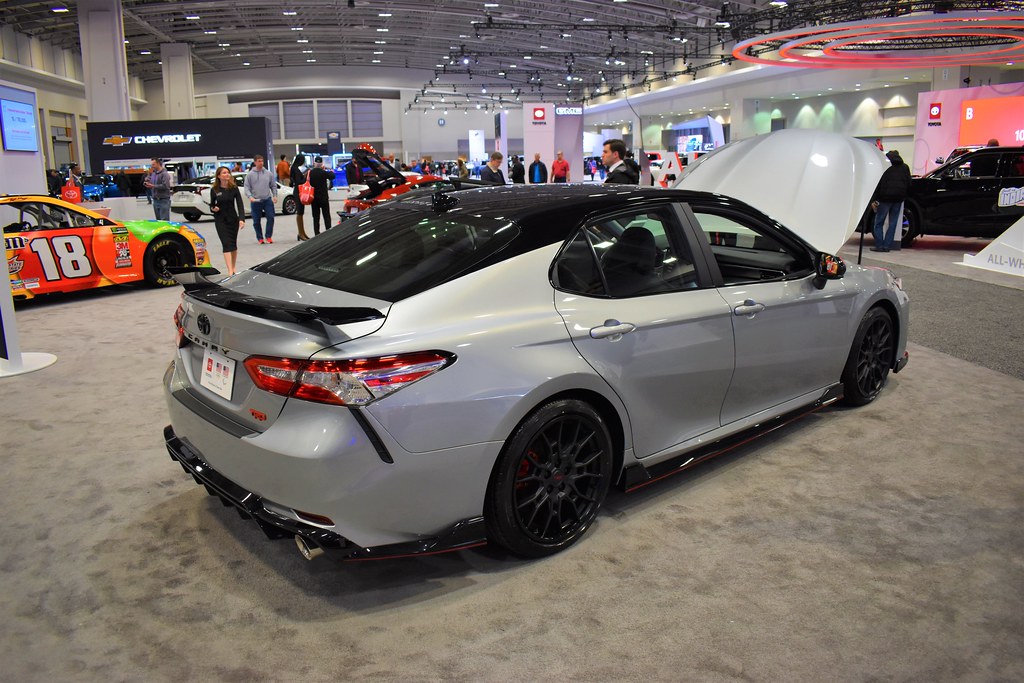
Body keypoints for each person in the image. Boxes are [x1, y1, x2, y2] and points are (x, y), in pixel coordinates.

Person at [870, 150, 912, 253]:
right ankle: (887, 246)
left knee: (879, 223)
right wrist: (904, 195)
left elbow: (878, 184)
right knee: (893, 223)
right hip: (898, 199)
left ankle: (879, 246)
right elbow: (909, 183)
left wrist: (874, 198)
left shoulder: (885, 166)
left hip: (884, 199)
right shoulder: (905, 167)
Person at [209, 166, 246, 276]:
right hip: (220, 220)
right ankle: (230, 271)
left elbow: (240, 204)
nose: (227, 174)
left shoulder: (234, 188)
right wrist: (213, 208)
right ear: (219, 176)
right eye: (224, 173)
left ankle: (233, 267)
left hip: (232, 220)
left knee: (233, 245)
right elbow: (212, 205)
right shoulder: (214, 190)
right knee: (226, 244)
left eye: (228, 173)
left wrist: (241, 219)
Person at [243, 154, 279, 244]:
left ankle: (268, 236)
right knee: (256, 221)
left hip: (267, 199)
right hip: (255, 201)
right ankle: (260, 238)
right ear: (255, 162)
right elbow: (246, 187)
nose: (261, 163)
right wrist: (250, 197)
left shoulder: (268, 173)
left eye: (262, 161)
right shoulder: (250, 175)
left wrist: (275, 196)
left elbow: (273, 186)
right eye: (259, 161)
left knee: (271, 217)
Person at [307, 156, 336, 236]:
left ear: (315, 163)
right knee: (326, 216)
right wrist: (331, 171)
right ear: (321, 163)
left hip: (314, 198)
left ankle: (316, 233)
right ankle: (328, 232)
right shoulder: (323, 172)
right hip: (323, 197)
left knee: (316, 217)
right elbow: (332, 176)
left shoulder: (311, 172)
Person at [289, 153, 311, 241]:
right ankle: (301, 233)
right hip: (298, 191)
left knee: (300, 212)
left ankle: (302, 232)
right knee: (300, 212)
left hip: (297, 191)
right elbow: (299, 181)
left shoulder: (293, 168)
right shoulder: (295, 169)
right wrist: (306, 177)